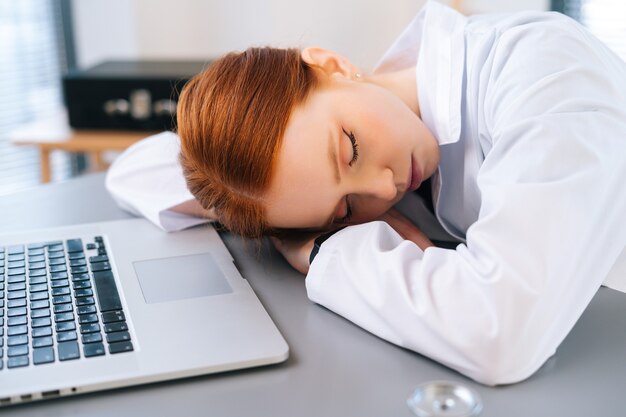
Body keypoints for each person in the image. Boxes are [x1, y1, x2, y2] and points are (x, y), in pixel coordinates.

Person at [106, 1, 626, 385]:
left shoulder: (543, 73)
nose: (385, 188)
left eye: (349, 150)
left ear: (331, 65)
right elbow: (135, 170)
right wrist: (266, 210)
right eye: (344, 209)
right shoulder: (372, 113)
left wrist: (320, 247)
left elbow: (500, 332)